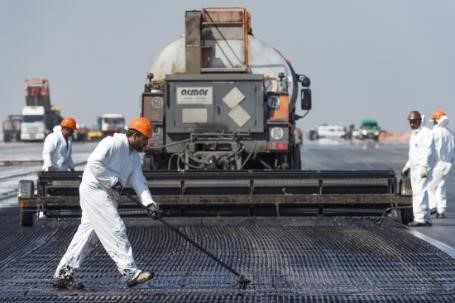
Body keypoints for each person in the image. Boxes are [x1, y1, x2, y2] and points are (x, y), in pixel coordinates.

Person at [53, 117, 160, 290]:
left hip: (107, 194)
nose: (146, 144)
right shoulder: (112, 143)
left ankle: (63, 274)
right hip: (95, 190)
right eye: (145, 139)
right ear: (134, 135)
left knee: (87, 236)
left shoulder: (133, 158)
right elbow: (94, 163)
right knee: (115, 228)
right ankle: (130, 272)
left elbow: (139, 182)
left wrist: (149, 204)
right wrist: (112, 180)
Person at [401, 111, 435, 227]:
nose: (411, 124)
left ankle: (420, 218)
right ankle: (427, 218)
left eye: (413, 121)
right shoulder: (414, 135)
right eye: (410, 122)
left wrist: (424, 166)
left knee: (419, 192)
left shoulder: (426, 133)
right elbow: (413, 154)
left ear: (419, 120)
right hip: (415, 168)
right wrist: (407, 166)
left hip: (423, 168)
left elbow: (429, 151)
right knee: (420, 192)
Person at [428, 109, 455, 218]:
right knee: (440, 186)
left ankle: (433, 206)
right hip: (448, 164)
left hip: (438, 164)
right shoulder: (450, 132)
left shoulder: (434, 132)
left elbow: (431, 149)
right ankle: (441, 210)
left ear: (436, 120)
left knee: (429, 187)